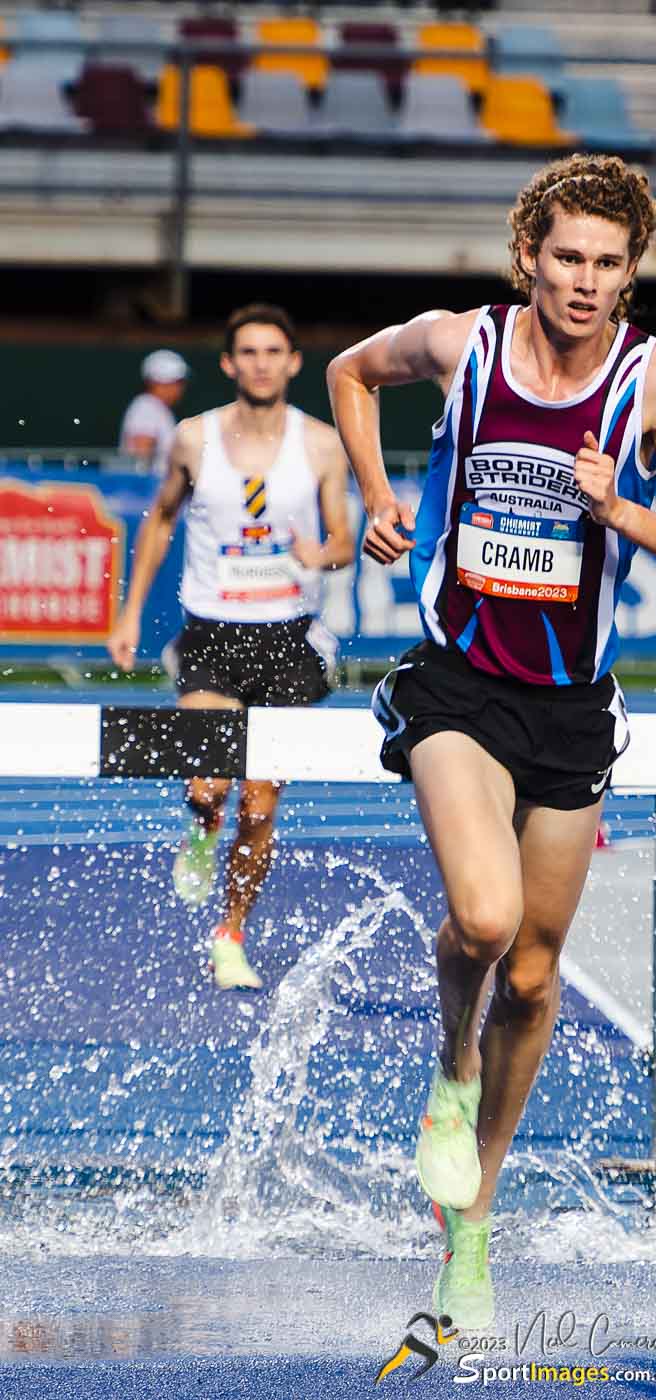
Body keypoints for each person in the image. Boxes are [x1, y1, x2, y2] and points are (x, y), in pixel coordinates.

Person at [327, 154, 656, 1327]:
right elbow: (352, 375)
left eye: (609, 264)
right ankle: (450, 1073)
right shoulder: (465, 345)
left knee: (542, 974)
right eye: (568, 257)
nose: (586, 281)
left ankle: (473, 1224)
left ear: (630, 274)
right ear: (529, 255)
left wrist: (622, 510)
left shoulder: (655, 383)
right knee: (487, 919)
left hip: (571, 706)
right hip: (459, 684)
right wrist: (375, 491)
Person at [107, 304, 353, 989]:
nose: (261, 363)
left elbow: (341, 540)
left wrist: (322, 553)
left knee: (260, 806)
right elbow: (159, 521)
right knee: (208, 785)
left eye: (274, 351)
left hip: (288, 639)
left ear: (294, 361)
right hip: (212, 634)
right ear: (228, 362)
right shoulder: (192, 438)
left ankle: (231, 933)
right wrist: (129, 615)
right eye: (248, 351)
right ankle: (201, 828)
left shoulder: (323, 445)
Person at [119, 349, 190, 477]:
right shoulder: (146, 407)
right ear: (154, 382)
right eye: (174, 382)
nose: (179, 388)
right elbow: (141, 456)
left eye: (179, 382)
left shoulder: (157, 408)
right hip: (147, 491)